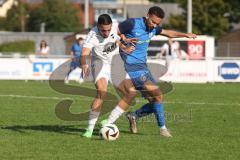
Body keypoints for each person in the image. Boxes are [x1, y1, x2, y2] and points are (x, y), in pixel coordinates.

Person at [103, 6, 197, 137]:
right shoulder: (132, 23)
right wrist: (122, 42)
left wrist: (185, 35)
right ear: (147, 15)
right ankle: (163, 129)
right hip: (130, 66)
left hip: (142, 67)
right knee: (158, 94)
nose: (154, 25)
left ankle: (134, 116)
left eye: (157, 23)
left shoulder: (154, 28)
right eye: (152, 21)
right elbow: (112, 33)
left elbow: (168, 33)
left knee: (155, 100)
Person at [80, 14, 135, 138]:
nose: (106, 32)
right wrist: (83, 64)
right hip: (99, 64)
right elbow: (84, 53)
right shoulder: (92, 35)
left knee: (131, 93)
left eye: (108, 30)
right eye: (103, 30)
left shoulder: (115, 28)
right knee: (102, 92)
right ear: (98, 26)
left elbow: (117, 39)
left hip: (115, 63)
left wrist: (124, 47)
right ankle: (89, 129)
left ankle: (108, 122)